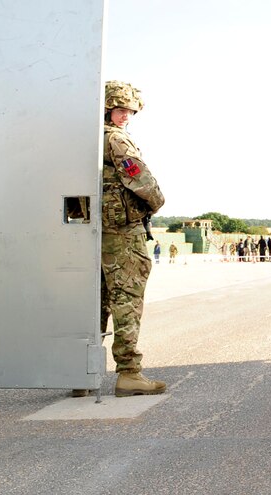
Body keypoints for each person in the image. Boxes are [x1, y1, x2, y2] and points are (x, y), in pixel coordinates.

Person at [77, 80, 167, 398]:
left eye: (129, 110)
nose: (126, 115)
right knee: (126, 299)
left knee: (93, 302)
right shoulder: (115, 140)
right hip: (121, 232)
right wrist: (157, 202)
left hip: (89, 231)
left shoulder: (82, 139)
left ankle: (80, 373)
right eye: (120, 109)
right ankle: (129, 373)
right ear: (107, 108)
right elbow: (141, 179)